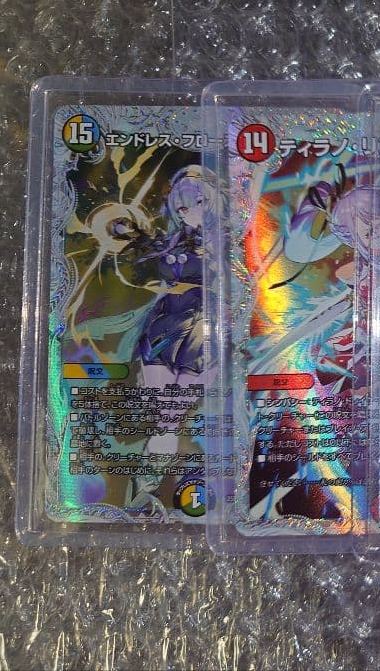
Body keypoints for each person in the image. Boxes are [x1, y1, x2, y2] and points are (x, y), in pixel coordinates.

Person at [109, 165, 215, 510]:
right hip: (164, 325)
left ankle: (147, 488)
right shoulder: (175, 240)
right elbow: (150, 254)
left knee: (170, 417)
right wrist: (135, 236)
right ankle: (143, 492)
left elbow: (243, 283)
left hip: (202, 333)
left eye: (196, 201)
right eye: (181, 205)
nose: (186, 211)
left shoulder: (224, 242)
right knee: (164, 417)